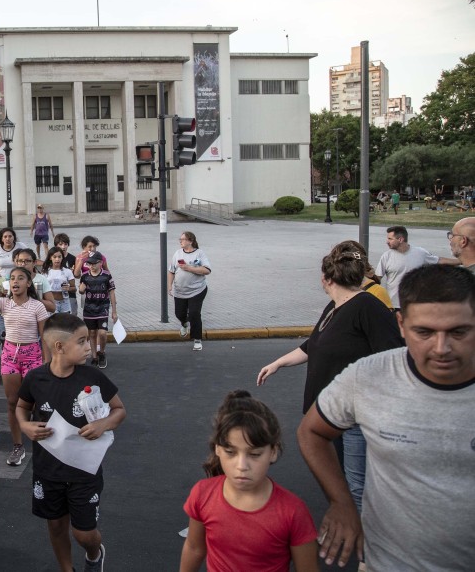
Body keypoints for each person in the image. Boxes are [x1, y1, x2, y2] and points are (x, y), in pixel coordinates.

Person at [297, 264, 475, 570]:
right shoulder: (368, 376)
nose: (442, 348)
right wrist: (342, 502)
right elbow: (311, 432)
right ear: (401, 325)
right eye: (424, 332)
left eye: (459, 332)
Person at [257, 244, 402, 513]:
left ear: (326, 279)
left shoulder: (368, 307)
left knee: (357, 484)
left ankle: (366, 544)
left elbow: (393, 355)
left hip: (356, 415)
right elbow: (313, 346)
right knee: (339, 479)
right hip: (328, 413)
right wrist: (278, 363)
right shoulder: (334, 307)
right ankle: (349, 527)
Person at [16, 314, 126, 572]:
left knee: (84, 534)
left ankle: (94, 554)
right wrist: (25, 425)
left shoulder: (92, 377)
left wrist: (103, 424)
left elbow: (119, 410)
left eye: (88, 340)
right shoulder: (35, 378)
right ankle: (67, 569)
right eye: (82, 341)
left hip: (84, 471)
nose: (89, 346)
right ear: (59, 347)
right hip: (47, 471)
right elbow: (21, 407)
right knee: (55, 526)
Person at [180, 391, 317, 572]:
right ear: (218, 449)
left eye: (254, 454)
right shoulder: (202, 494)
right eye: (231, 452)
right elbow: (194, 548)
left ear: (273, 452)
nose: (242, 466)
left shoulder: (293, 512)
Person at [0, 267, 49, 467]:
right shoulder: (4, 303)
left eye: (20, 278)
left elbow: (46, 338)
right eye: (12, 278)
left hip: (32, 355)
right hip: (9, 355)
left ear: (28, 283)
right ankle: (17, 445)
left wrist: (48, 365)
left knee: (34, 403)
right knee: (13, 402)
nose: (15, 282)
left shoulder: (37, 306)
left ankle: (42, 441)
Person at [375, 225, 458, 310]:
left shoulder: (420, 253)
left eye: (390, 239)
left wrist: (462, 261)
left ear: (400, 239)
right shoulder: (386, 256)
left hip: (415, 305)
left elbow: (439, 261)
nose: (387, 242)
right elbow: (377, 279)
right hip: (393, 306)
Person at [168, 231, 211, 352]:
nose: (180, 241)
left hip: (197, 290)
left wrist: (189, 268)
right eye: (180, 239)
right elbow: (171, 271)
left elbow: (207, 270)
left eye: (183, 239)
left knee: (194, 314)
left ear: (190, 241)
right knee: (179, 314)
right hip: (180, 291)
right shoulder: (177, 253)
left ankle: (197, 339)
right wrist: (169, 286)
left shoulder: (199, 253)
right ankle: (184, 324)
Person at [79, 252, 117, 368]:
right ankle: (94, 356)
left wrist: (114, 311)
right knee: (91, 333)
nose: (92, 266)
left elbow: (112, 293)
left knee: (102, 333)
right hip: (89, 309)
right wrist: (81, 289)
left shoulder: (106, 276)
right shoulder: (85, 276)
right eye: (89, 263)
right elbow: (81, 290)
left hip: (103, 308)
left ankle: (102, 352)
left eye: (94, 263)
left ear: (100, 263)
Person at [43, 247, 76, 314]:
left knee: (65, 323)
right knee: (53, 323)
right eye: (54, 257)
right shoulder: (45, 272)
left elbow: (74, 288)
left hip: (65, 302)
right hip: (51, 301)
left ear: (62, 258)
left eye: (59, 257)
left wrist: (68, 288)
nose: (57, 259)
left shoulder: (67, 271)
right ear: (50, 258)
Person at [53, 234, 78, 315]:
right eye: (60, 244)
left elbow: (78, 275)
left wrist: (72, 272)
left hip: (70, 294)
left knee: (72, 318)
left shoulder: (73, 258)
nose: (63, 247)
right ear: (56, 245)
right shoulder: (52, 258)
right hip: (55, 296)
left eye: (65, 244)